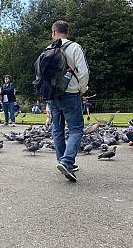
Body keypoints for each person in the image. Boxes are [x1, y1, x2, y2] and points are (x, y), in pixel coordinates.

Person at [44, 20, 89, 182]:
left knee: (57, 129)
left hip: (52, 96)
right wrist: (82, 89)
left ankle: (62, 160)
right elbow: (83, 73)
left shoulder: (48, 49)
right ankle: (67, 161)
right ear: (67, 32)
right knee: (76, 128)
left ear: (54, 32)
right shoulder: (75, 48)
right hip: (70, 93)